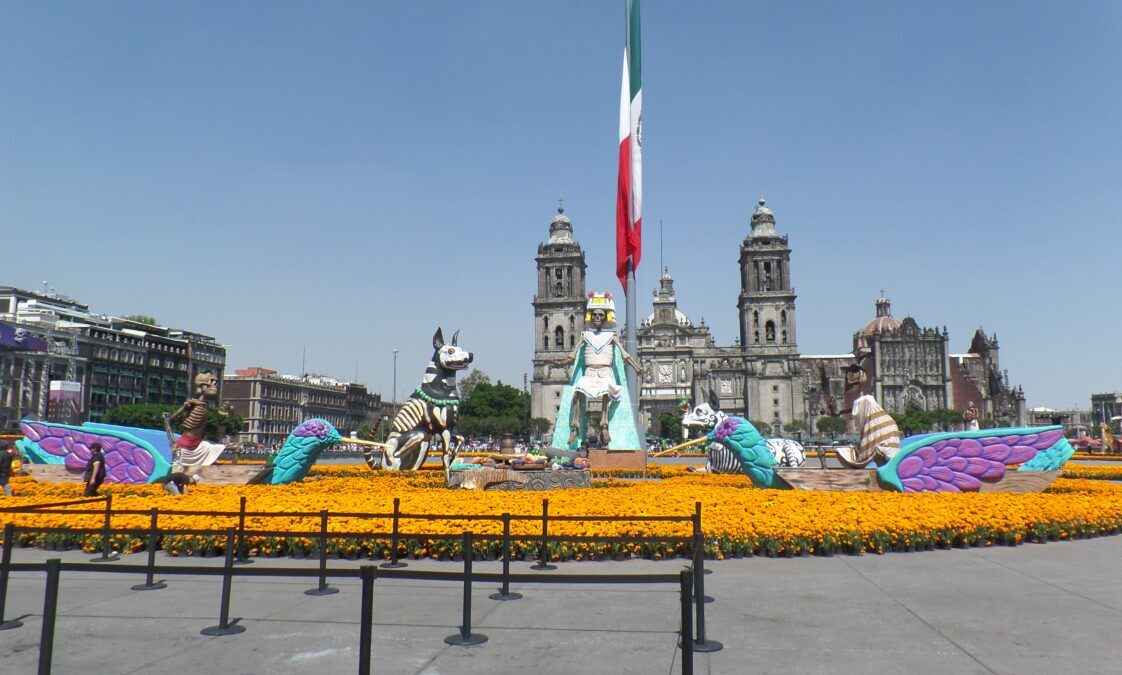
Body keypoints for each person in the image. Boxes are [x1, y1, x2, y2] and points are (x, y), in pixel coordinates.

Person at [551, 292, 645, 448]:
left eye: (600, 315)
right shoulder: (585, 336)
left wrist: (637, 368)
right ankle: (575, 427)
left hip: (605, 372)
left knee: (606, 391)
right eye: (594, 314)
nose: (597, 317)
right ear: (590, 316)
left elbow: (625, 355)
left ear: (605, 317)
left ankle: (604, 425)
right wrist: (560, 363)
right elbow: (572, 356)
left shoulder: (612, 336)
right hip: (589, 373)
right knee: (578, 390)